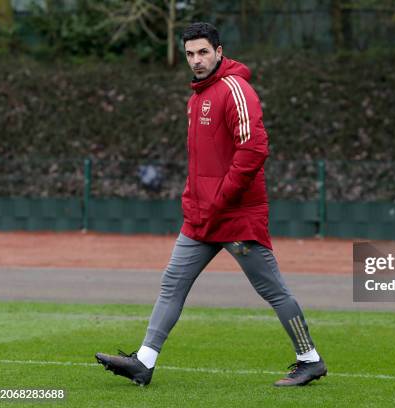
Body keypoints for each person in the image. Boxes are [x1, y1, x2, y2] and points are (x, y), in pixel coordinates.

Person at [95, 22, 326, 387]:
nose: (196, 60)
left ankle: (309, 358)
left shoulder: (236, 89)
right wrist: (195, 199)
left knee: (272, 290)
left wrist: (220, 199)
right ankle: (144, 361)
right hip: (203, 217)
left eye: (203, 52)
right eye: (190, 54)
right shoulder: (197, 97)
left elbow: (254, 150)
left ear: (219, 51)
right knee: (172, 282)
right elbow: (202, 162)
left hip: (236, 216)